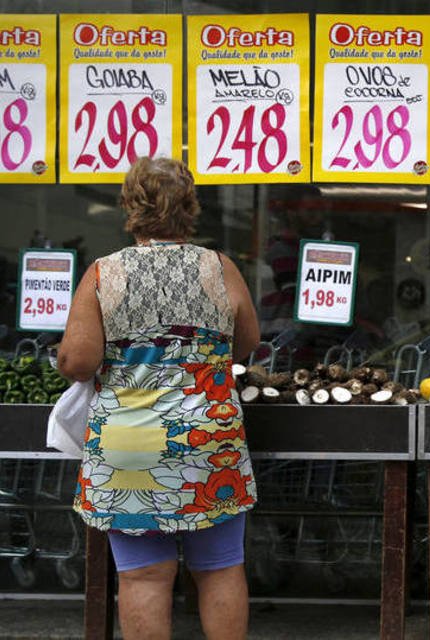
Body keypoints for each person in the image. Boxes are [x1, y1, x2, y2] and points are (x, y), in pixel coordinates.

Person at [58, 157, 260, 640]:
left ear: (130, 205)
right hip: (209, 437)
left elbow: (79, 363)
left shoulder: (105, 273)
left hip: (132, 441)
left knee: (144, 574)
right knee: (219, 566)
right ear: (190, 206)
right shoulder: (218, 267)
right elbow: (247, 341)